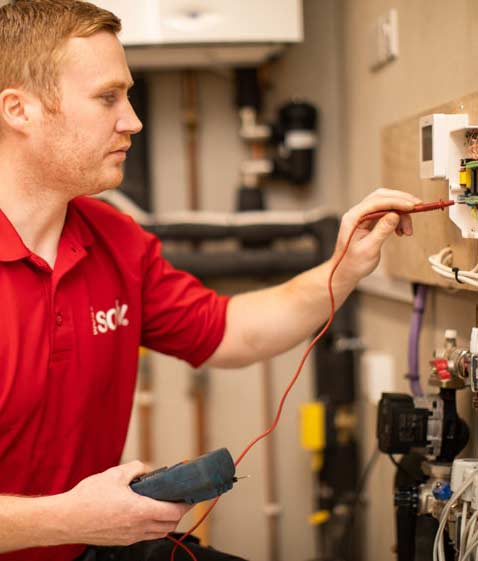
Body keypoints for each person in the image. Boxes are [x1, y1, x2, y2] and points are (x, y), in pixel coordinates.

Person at [0, 1, 420, 561]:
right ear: (17, 109)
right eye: (107, 98)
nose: (132, 120)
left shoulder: (114, 238)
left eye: (127, 95)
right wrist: (70, 518)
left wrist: (343, 269)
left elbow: (229, 332)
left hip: (89, 545)